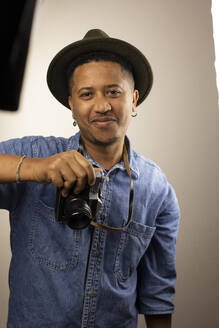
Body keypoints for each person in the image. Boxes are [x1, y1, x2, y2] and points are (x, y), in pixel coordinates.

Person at [0, 29, 180, 328]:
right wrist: (36, 168)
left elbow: (157, 294)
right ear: (71, 104)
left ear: (133, 100)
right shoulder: (36, 152)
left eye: (113, 92)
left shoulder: (157, 189)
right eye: (87, 94)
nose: (102, 105)